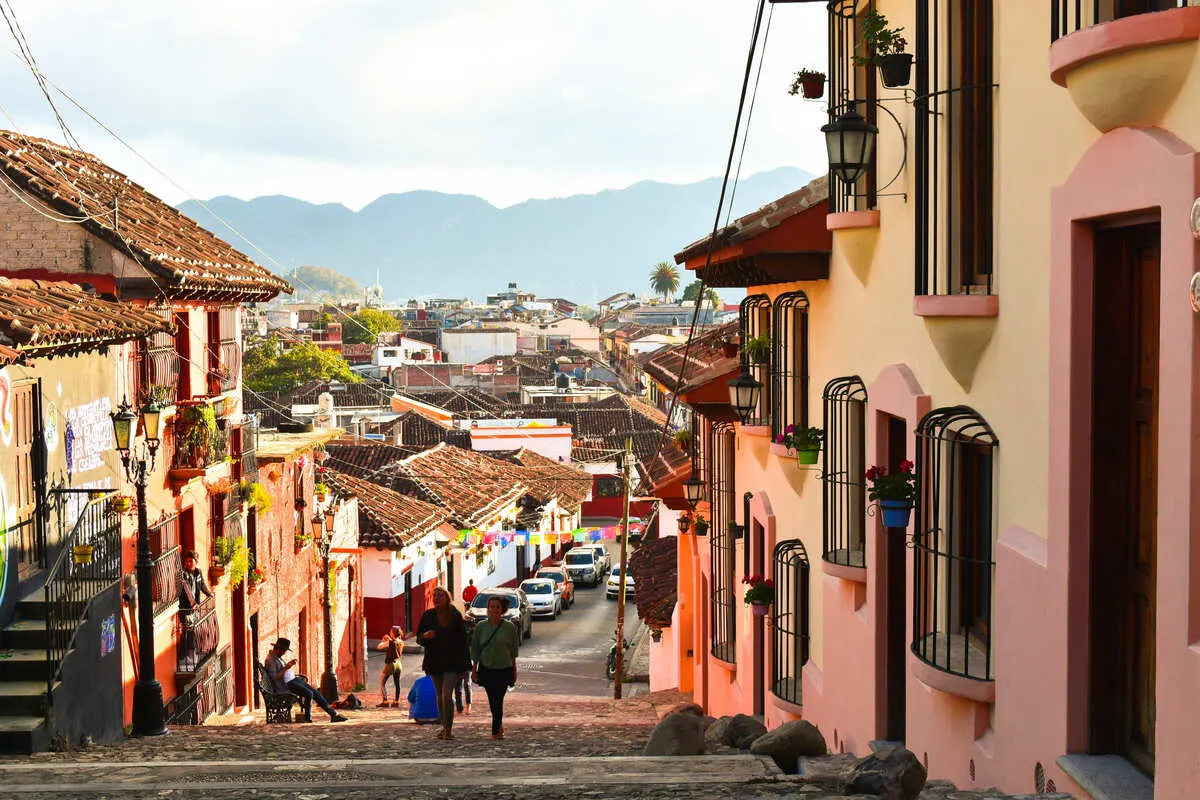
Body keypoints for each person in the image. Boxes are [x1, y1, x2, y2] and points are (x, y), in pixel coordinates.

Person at [416, 586, 471, 740]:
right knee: (440, 697)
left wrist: (466, 665)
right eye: (435, 595)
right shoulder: (428, 616)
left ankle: (448, 729)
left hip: (452, 661)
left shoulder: (454, 615)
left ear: (447, 597)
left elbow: (463, 640)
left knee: (447, 696)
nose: (437, 598)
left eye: (440, 595)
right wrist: (426, 636)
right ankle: (445, 727)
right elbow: (419, 638)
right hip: (434, 661)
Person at [470, 594, 520, 740]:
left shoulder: (509, 627)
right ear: (488, 609)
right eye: (491, 607)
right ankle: (498, 726)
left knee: (498, 700)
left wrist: (514, 670)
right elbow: (475, 650)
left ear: (502, 610)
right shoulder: (481, 627)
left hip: (504, 669)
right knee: (493, 701)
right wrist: (474, 670)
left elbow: (513, 651)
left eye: (497, 607)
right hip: (487, 669)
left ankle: (495, 731)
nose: (494, 609)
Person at [264, 638, 348, 723]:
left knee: (316, 693)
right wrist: (286, 667)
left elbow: (282, 670)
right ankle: (307, 718)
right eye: (284, 650)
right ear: (279, 648)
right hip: (288, 684)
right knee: (309, 693)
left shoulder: (277, 657)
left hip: (293, 679)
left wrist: (289, 664)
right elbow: (274, 678)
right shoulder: (271, 660)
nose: (284, 653)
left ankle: (333, 714)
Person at [375, 625, 404, 708]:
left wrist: (384, 640)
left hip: (390, 664)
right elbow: (394, 643)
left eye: (391, 631)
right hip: (398, 663)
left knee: (382, 683)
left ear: (393, 633)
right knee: (397, 683)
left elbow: (379, 646)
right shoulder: (401, 642)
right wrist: (389, 640)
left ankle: (385, 701)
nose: (390, 632)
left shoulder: (390, 642)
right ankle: (396, 701)